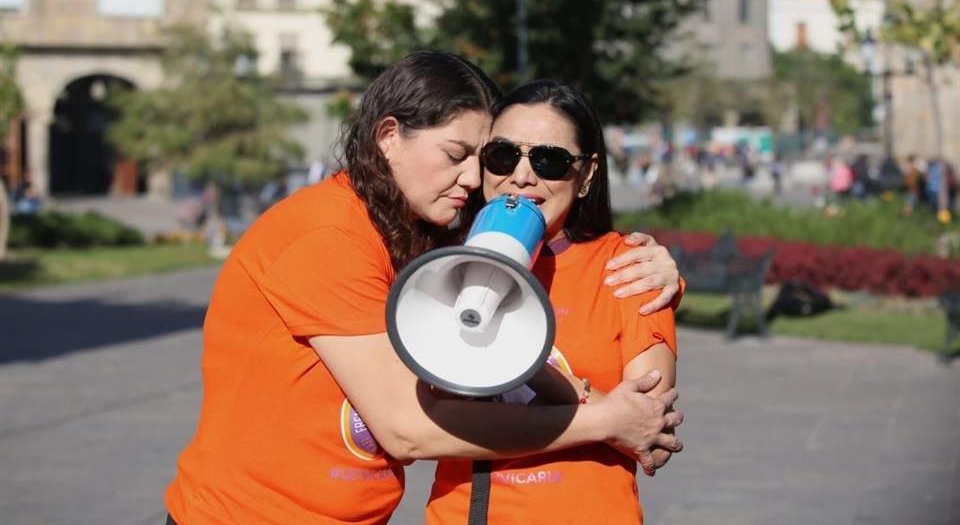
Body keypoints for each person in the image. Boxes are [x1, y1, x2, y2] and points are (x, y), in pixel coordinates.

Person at [164, 52, 683, 525]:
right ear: (389, 137)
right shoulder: (328, 234)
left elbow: (648, 417)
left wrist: (663, 271)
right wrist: (603, 419)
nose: (472, 177)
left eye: (481, 159)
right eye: (465, 154)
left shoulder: (417, 237)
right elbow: (406, 429)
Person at [426, 80, 679, 525]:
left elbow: (653, 440)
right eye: (502, 155)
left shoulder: (629, 269)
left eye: (550, 160)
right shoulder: (435, 268)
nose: (522, 175)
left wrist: (530, 363)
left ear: (587, 175)